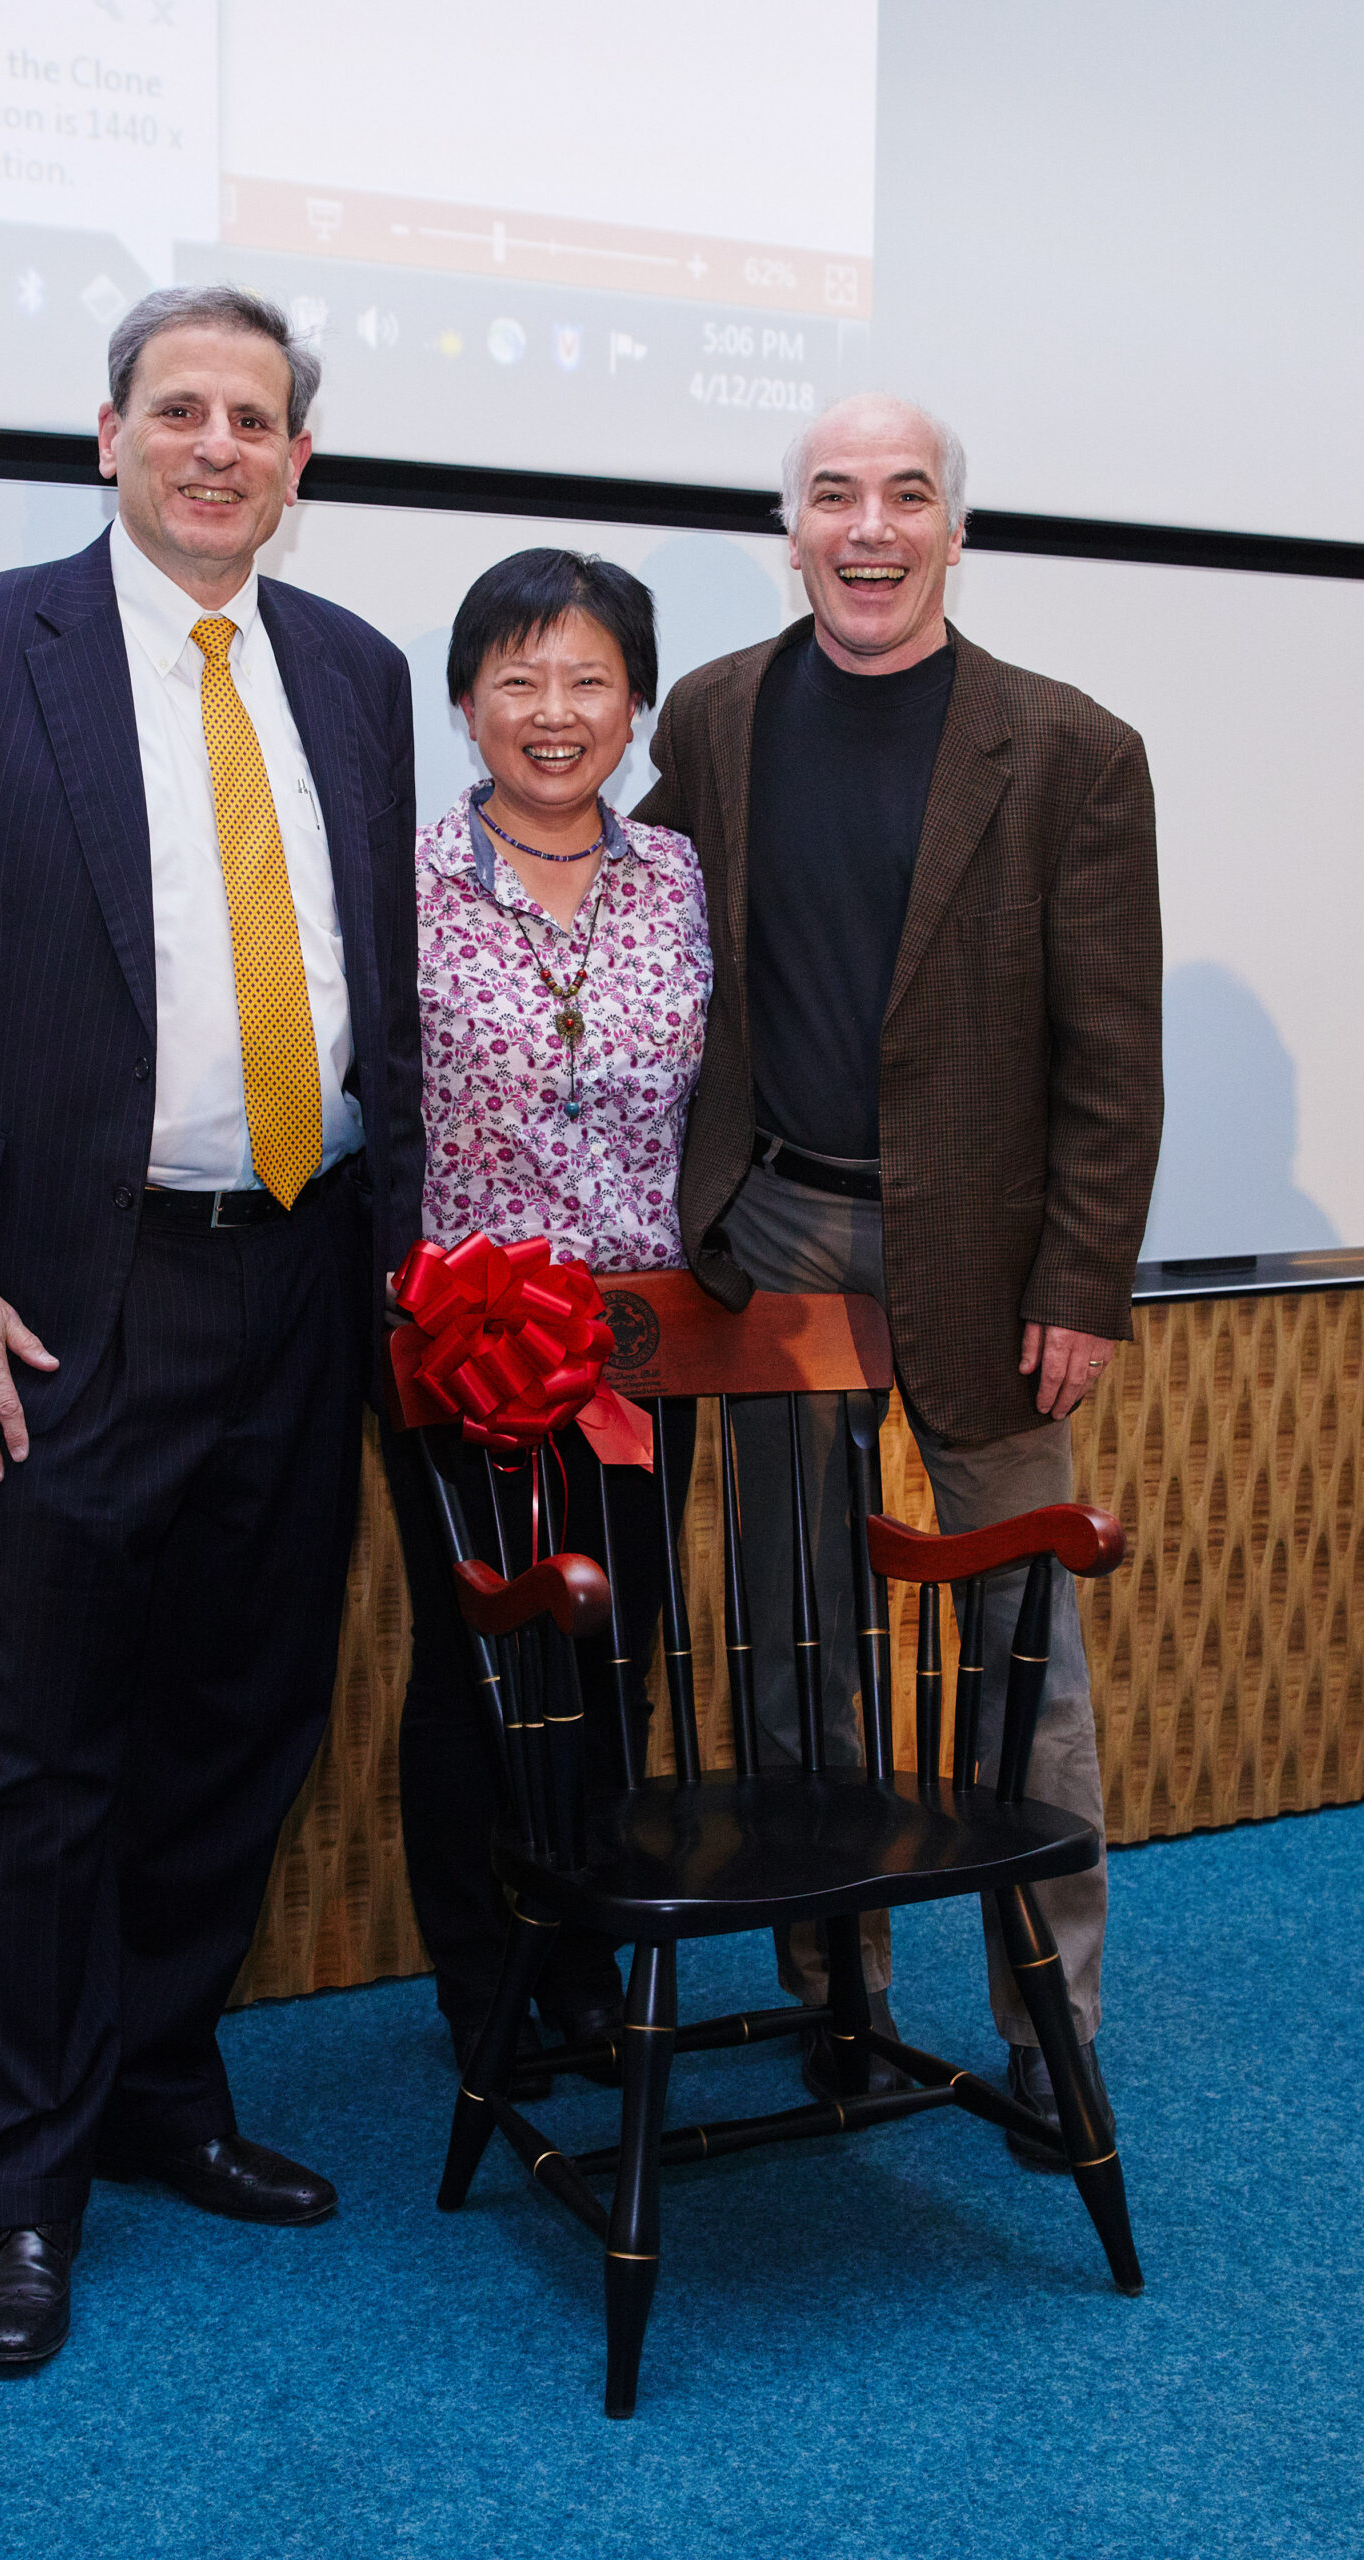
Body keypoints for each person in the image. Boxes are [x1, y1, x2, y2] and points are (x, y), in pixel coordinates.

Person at [0, 284, 422, 2368]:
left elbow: (374, 995)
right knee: (50, 1753)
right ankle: (29, 2183)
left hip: (301, 1270)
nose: (216, 445)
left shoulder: (348, 667)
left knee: (244, 1721)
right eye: (181, 409)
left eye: (255, 417)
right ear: (108, 436)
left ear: (296, 462)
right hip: (69, 1295)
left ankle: (164, 2093)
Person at [636, 394, 1161, 2153]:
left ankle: (1047, 2024)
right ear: (789, 529)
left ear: (955, 531)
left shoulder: (1071, 748)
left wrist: (1084, 1277)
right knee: (799, 1645)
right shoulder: (712, 716)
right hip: (774, 1238)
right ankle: (833, 1992)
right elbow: (636, 937)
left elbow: (1112, 1055)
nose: (871, 529)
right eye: (836, 497)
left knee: (1030, 1655)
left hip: (997, 1261)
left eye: (908, 497)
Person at [380, 550, 711, 2079]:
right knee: (477, 1667)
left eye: (589, 678)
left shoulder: (685, 879)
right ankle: (481, 1979)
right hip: (460, 1350)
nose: (555, 711)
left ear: (636, 703)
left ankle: (583, 1958)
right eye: (519, 679)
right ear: (467, 703)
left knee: (611, 1652)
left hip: (643, 1352)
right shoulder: (399, 885)